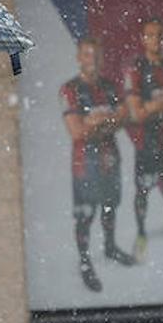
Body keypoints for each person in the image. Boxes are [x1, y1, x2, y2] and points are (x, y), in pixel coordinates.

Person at [59, 37, 134, 292]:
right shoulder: (69, 90)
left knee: (111, 206)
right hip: (85, 162)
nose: (94, 60)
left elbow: (125, 119)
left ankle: (110, 247)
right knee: (85, 214)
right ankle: (84, 261)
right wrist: (107, 121)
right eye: (89, 55)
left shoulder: (110, 87)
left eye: (98, 55)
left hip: (109, 158)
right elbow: (77, 132)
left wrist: (98, 122)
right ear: (80, 57)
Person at [122, 17, 163, 261]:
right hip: (147, 140)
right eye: (150, 35)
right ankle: (141, 233)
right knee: (144, 188)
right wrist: (162, 105)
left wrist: (154, 105)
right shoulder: (136, 69)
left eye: (160, 35)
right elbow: (136, 112)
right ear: (143, 39)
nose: (156, 40)